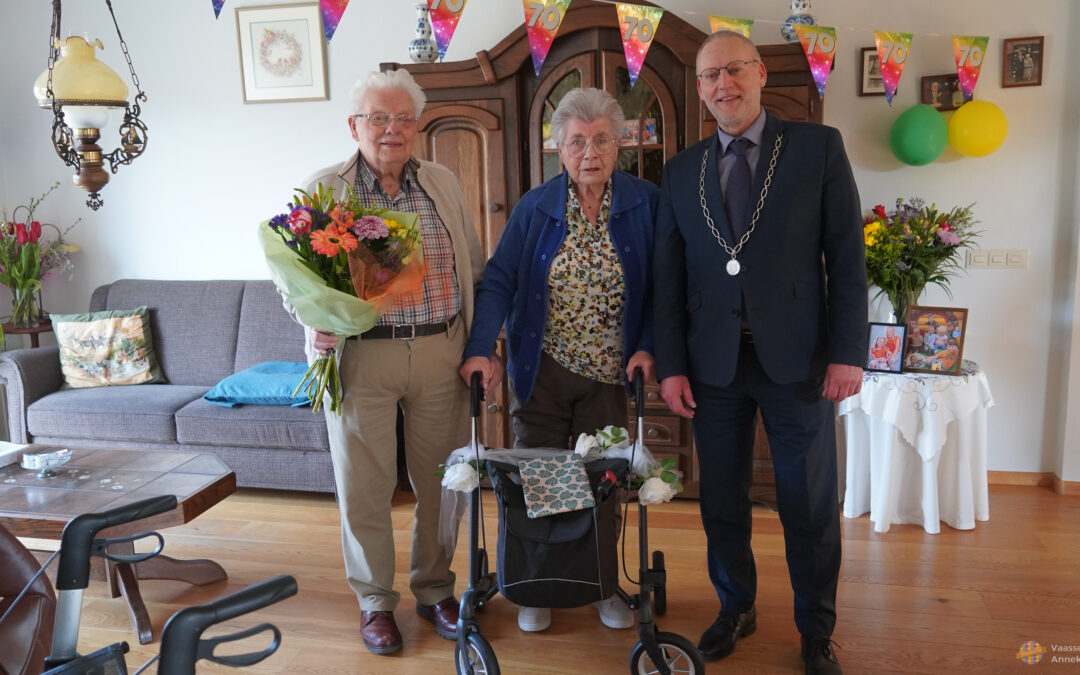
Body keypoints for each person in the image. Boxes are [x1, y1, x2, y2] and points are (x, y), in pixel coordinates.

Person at [652, 30, 866, 675]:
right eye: (712, 75)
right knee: (720, 499)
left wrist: (848, 352)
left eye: (736, 70)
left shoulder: (816, 148)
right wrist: (671, 365)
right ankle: (735, 607)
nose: (725, 85)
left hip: (798, 360)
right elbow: (671, 278)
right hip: (713, 364)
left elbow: (847, 259)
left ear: (761, 74)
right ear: (700, 88)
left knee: (807, 501)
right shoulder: (681, 169)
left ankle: (815, 628)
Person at [297, 69, 485, 655]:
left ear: (419, 124)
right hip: (362, 357)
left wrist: (479, 344)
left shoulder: (443, 182)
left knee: (444, 482)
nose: (391, 129)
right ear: (354, 126)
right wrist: (310, 320)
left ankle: (434, 589)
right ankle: (376, 601)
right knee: (364, 486)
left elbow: (471, 265)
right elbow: (296, 279)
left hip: (439, 349)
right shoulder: (325, 189)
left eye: (403, 117)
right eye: (378, 118)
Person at [460, 87, 658, 634]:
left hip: (610, 373)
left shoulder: (645, 203)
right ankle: (540, 584)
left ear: (619, 143)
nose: (589, 152)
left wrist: (650, 347)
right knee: (546, 477)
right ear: (559, 149)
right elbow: (500, 280)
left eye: (600, 139)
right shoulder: (536, 207)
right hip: (541, 368)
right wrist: (481, 348)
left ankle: (598, 586)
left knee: (602, 482)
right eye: (577, 142)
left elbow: (665, 287)